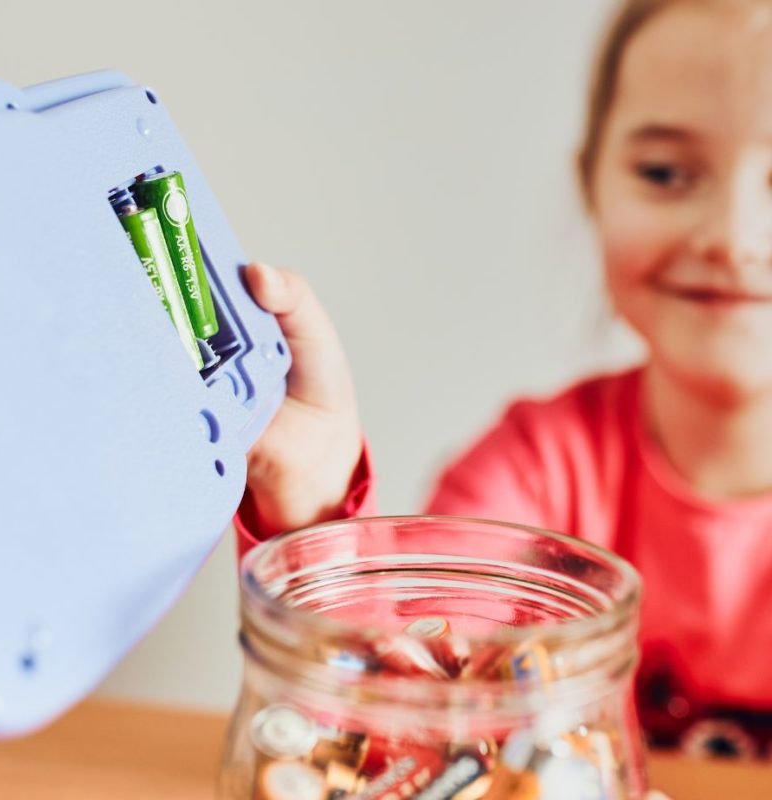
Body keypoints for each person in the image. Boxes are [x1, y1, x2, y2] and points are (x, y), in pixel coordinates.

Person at [237, 0, 772, 760]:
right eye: (665, 172)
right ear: (591, 183)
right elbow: (400, 723)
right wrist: (313, 509)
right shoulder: (534, 472)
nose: (732, 236)